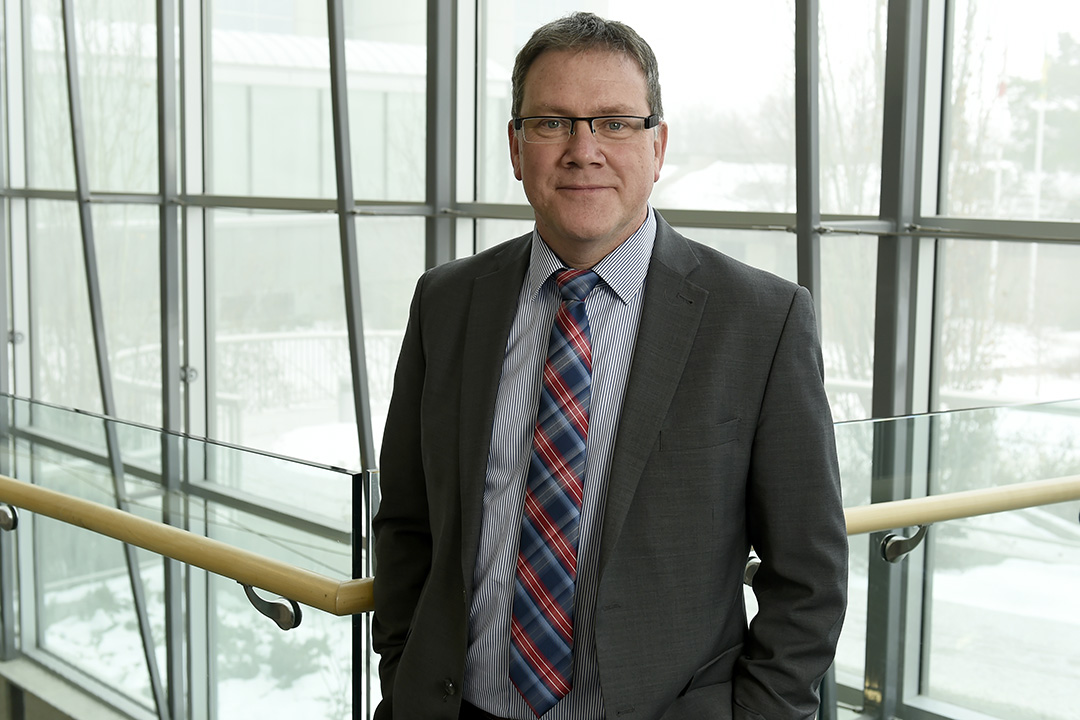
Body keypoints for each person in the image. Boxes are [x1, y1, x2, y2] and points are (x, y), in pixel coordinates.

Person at [372, 11, 848, 720]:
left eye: (615, 123)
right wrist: (402, 665)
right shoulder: (447, 303)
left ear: (658, 148)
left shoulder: (759, 320)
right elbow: (409, 521)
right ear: (515, 145)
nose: (582, 149)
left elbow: (808, 576)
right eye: (551, 122)